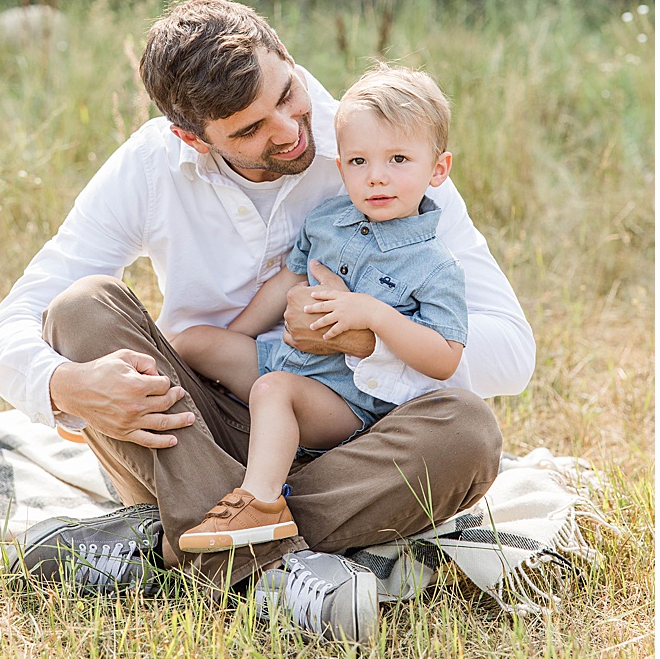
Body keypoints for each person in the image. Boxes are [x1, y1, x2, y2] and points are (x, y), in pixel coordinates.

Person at [0, 0, 534, 645]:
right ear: (191, 135)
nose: (288, 129)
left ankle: (162, 550)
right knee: (81, 307)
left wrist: (368, 338)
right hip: (193, 432)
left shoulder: (377, 150)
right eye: (248, 130)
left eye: (287, 92)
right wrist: (63, 387)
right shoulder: (150, 166)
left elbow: (509, 349)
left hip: (346, 441)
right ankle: (272, 569)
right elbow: (13, 321)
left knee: (468, 432)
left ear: (288, 55)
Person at [170, 64, 470, 553]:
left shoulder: (435, 265)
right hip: (284, 363)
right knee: (193, 342)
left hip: (345, 402)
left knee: (274, 391)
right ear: (340, 167)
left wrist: (375, 314)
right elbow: (286, 283)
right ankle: (197, 450)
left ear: (437, 169)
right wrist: (239, 338)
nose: (376, 177)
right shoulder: (328, 220)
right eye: (358, 162)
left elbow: (445, 356)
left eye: (398, 159)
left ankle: (261, 503)